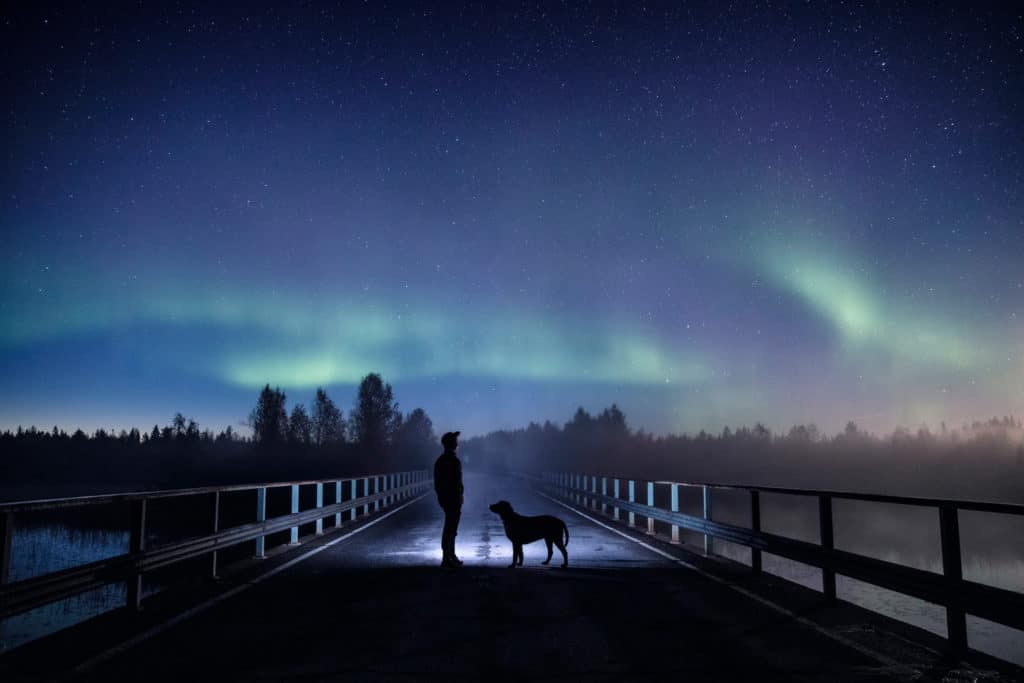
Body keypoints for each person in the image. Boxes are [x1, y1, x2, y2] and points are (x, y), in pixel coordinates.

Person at [434, 431, 464, 567]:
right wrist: (458, 496)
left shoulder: (440, 461)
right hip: (453, 499)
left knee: (451, 527)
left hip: (447, 499)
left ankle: (450, 555)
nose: (458, 443)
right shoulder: (453, 461)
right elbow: (457, 482)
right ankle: (447, 557)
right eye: (456, 441)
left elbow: (437, 482)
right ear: (453, 444)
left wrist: (441, 497)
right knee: (450, 528)